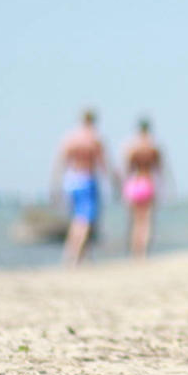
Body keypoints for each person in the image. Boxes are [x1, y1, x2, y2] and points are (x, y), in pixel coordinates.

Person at [51, 109, 116, 265]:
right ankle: (72, 254)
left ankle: (81, 256)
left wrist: (55, 185)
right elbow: (103, 164)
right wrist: (114, 183)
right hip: (87, 179)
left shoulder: (70, 138)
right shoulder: (94, 139)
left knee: (77, 219)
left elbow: (60, 162)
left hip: (71, 179)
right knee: (85, 221)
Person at [122, 118, 163, 258]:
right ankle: (144, 252)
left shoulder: (132, 147)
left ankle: (135, 251)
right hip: (147, 182)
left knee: (135, 220)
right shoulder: (153, 147)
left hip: (134, 183)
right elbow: (159, 170)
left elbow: (127, 169)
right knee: (146, 221)